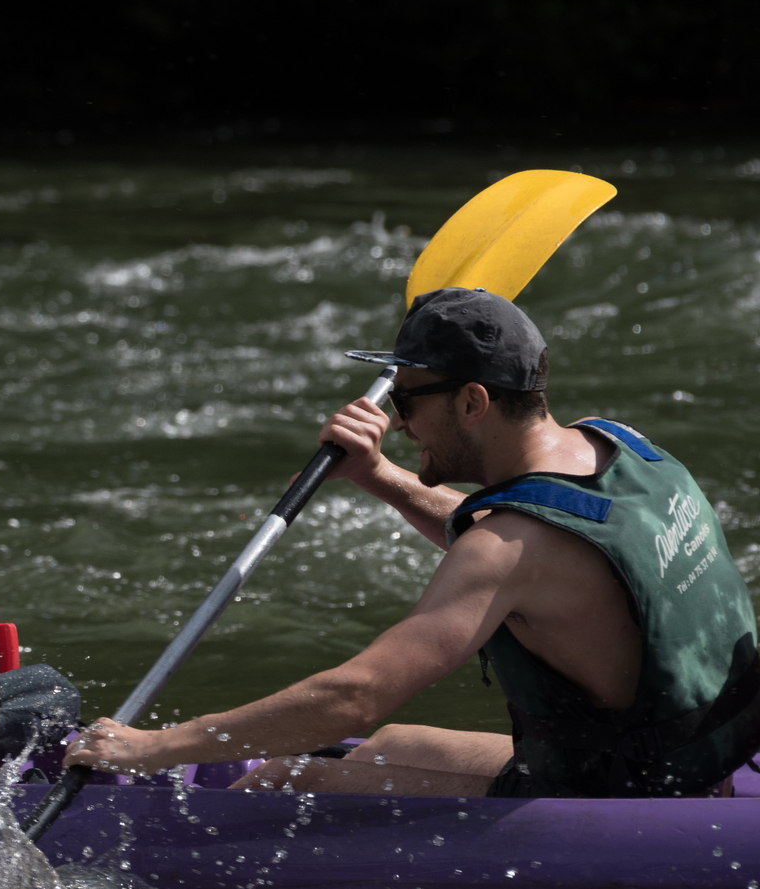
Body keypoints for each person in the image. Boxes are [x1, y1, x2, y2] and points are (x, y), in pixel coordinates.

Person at [67, 287, 760, 798]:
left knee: (284, 781)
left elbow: (355, 697)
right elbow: (537, 552)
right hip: (694, 769)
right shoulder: (623, 448)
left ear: (472, 402)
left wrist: (152, 747)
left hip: (615, 803)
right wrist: (381, 477)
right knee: (391, 747)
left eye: (408, 401)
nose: (399, 424)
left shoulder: (506, 549)